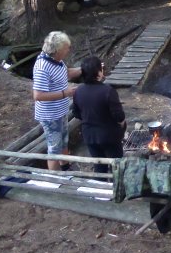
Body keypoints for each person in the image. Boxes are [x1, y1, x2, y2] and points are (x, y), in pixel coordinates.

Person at [32, 31, 81, 171]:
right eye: (67, 47)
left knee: (64, 141)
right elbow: (38, 95)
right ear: (58, 49)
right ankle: (54, 179)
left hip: (61, 111)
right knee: (54, 147)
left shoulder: (57, 61)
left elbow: (66, 73)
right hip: (50, 115)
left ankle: (65, 167)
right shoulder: (42, 66)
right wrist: (65, 93)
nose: (69, 49)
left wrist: (84, 69)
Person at [71, 56, 126, 174]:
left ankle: (99, 188)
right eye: (101, 68)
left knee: (99, 166)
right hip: (109, 136)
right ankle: (116, 189)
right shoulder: (108, 91)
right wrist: (122, 124)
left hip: (90, 136)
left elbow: (76, 113)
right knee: (116, 167)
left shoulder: (78, 91)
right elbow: (119, 116)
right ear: (98, 72)